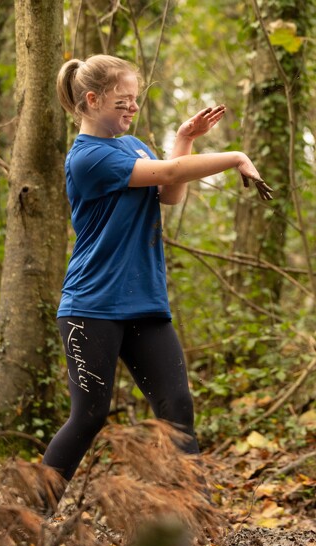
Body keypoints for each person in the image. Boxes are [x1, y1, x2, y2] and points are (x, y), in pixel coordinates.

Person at [43, 54, 271, 498]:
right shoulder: (87, 158)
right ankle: (33, 513)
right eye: (123, 101)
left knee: (177, 407)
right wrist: (235, 156)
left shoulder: (132, 146)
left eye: (135, 99)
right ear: (92, 100)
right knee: (89, 415)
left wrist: (184, 139)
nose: (132, 108)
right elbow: (167, 172)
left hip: (144, 303)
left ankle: (197, 516)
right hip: (91, 307)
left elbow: (169, 192)